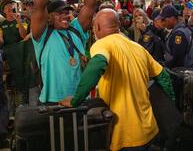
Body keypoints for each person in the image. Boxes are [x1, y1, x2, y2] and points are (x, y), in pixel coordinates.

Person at [60, 9, 175, 151]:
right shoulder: (137, 47)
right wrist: (171, 104)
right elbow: (163, 76)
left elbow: (97, 66)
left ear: (97, 27)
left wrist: (75, 100)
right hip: (149, 129)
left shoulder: (102, 44)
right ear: (118, 25)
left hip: (126, 134)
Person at [31, 0, 96, 104]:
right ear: (49, 17)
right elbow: (39, 6)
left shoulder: (76, 29)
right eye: (60, 13)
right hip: (52, 100)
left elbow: (90, 5)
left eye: (67, 12)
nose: (65, 16)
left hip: (79, 98)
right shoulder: (42, 35)